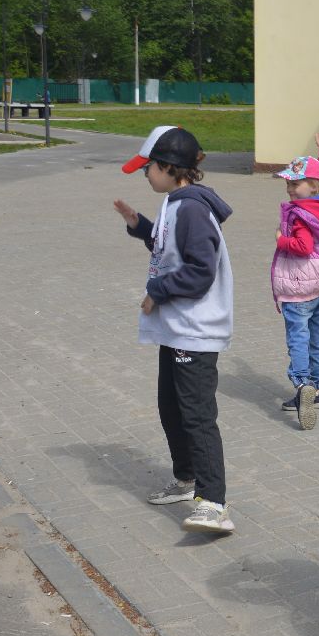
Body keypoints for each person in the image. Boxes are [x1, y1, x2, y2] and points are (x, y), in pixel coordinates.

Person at [112, 126, 236, 534]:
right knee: (171, 407)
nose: (145, 174)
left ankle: (214, 503)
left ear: (169, 166)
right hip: (177, 329)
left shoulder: (192, 210)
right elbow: (169, 247)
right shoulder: (174, 202)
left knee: (197, 415)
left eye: (148, 167)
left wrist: (157, 291)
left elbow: (200, 270)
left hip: (196, 330)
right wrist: (139, 225)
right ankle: (186, 479)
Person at [270, 141, 319, 429]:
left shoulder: (303, 215)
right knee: (316, 339)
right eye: (288, 184)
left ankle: (303, 385)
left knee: (298, 339)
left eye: (295, 184)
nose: (289, 189)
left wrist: (281, 240)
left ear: (313, 186)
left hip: (299, 288)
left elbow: (302, 247)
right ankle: (317, 390)